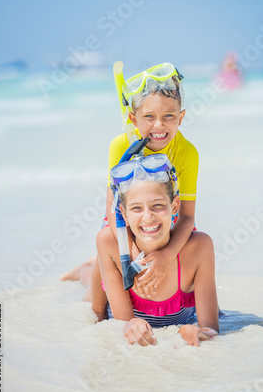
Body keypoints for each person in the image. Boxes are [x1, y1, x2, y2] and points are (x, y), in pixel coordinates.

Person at [62, 63, 200, 320]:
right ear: (133, 119)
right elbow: (112, 209)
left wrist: (167, 255)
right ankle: (86, 271)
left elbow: (187, 217)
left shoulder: (187, 153)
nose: (159, 125)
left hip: (163, 219)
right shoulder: (121, 144)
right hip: (124, 219)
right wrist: (131, 253)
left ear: (181, 117)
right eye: (149, 117)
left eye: (169, 116)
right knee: (96, 298)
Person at [68, 154, 219, 347]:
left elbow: (212, 328)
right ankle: (83, 268)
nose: (148, 217)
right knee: (90, 285)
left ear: (174, 205)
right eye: (136, 208)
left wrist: (195, 330)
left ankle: (90, 264)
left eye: (157, 205)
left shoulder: (200, 246)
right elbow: (123, 324)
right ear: (123, 213)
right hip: (110, 268)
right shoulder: (108, 241)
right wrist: (132, 324)